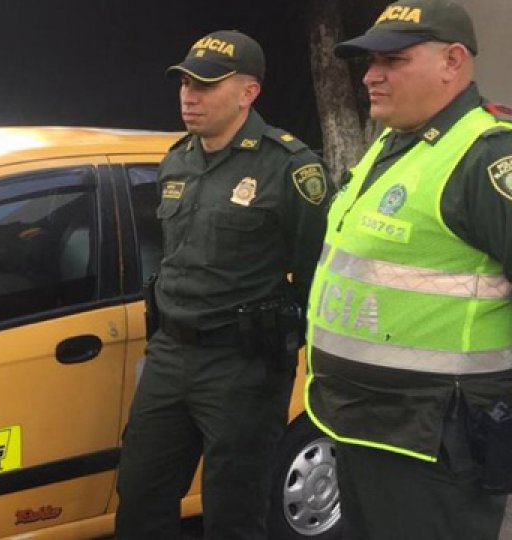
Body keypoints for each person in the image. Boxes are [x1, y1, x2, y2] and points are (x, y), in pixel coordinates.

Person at [305, 0, 512, 538]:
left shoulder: (485, 157)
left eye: (393, 60)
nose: (371, 75)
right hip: (368, 426)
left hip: (437, 444)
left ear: (453, 61)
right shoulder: (394, 143)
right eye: (370, 62)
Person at [114, 30, 331, 539]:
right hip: (170, 355)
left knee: (234, 509)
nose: (190, 95)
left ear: (248, 93)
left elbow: (315, 270)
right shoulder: (177, 159)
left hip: (243, 366)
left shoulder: (290, 168)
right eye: (185, 82)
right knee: (141, 495)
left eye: (206, 85)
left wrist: (280, 339)